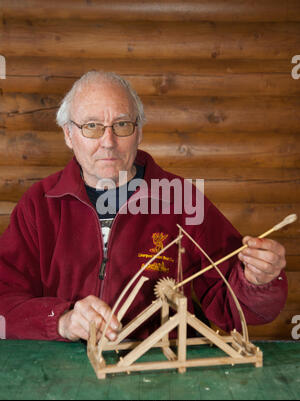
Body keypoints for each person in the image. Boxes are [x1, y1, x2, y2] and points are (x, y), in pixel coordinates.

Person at [0, 71, 287, 343]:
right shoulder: (40, 203)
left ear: (139, 133)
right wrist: (62, 321)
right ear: (68, 134)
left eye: (122, 125)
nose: (108, 142)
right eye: (92, 126)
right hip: (64, 368)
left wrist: (257, 280)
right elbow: (5, 300)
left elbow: (236, 310)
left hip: (163, 367)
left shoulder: (182, 200)